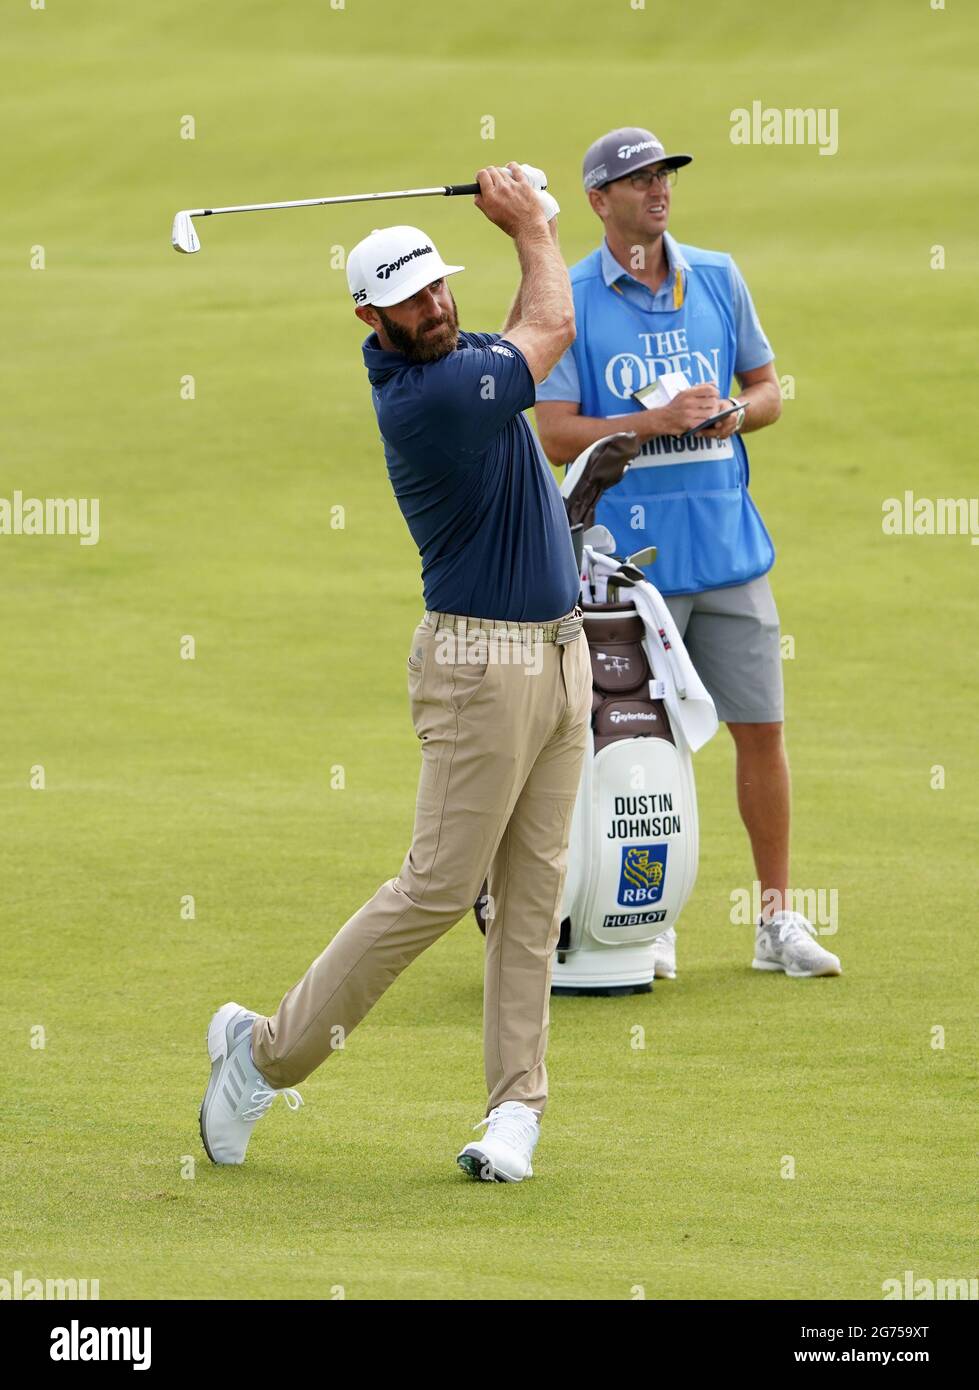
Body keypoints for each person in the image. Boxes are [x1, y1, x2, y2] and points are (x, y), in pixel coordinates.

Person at [199, 163, 592, 1183]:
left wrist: (524, 238)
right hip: (479, 665)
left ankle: (515, 1112)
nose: (435, 305)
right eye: (413, 299)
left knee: (530, 894)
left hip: (559, 654)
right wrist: (533, 224)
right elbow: (550, 327)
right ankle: (262, 1053)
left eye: (438, 286)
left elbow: (514, 333)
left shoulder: (460, 357)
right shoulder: (429, 397)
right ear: (371, 316)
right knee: (437, 889)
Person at [534, 127, 841, 981]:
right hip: (630, 574)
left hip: (730, 551)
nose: (657, 189)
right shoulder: (573, 300)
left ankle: (774, 920)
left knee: (761, 733)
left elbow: (768, 390)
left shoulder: (716, 274)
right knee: (639, 746)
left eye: (663, 174)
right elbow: (555, 434)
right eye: (636, 179)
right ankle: (644, 920)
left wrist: (735, 416)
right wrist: (651, 423)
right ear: (598, 201)